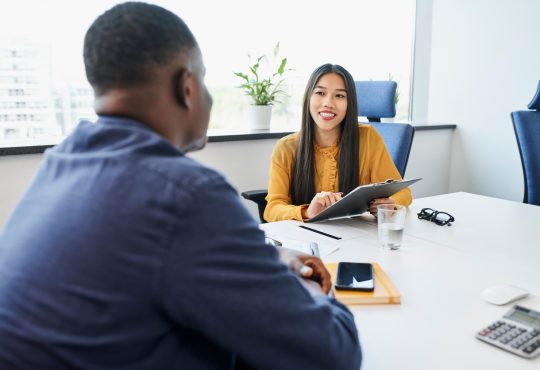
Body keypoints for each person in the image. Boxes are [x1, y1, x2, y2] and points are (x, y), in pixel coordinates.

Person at [0, 3, 361, 370]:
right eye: (203, 79)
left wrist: (269, 261)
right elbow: (334, 353)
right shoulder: (188, 195)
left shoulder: (61, 163)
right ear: (186, 87)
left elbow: (154, 261)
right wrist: (306, 286)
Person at [264, 64, 413, 222]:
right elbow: (272, 209)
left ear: (350, 104)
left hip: (356, 236)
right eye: (320, 93)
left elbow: (404, 193)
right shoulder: (286, 148)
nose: (328, 103)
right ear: (308, 98)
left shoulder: (368, 138)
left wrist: (390, 205)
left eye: (340, 96)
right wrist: (308, 212)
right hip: (304, 239)